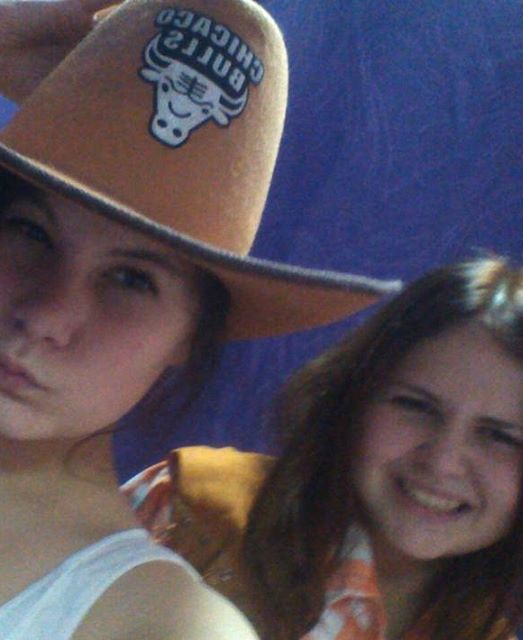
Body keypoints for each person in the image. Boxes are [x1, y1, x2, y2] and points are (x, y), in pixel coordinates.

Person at [0, 0, 400, 637]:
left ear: (191, 334)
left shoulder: (171, 626)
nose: (49, 315)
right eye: (30, 232)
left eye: (132, 280)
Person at [126, 255, 523, 640]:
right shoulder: (188, 511)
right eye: (417, 406)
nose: (443, 461)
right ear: (357, 397)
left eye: (499, 436)